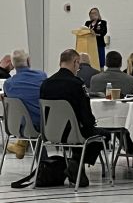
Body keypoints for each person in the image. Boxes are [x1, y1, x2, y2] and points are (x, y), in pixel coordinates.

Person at [40, 49, 110, 187]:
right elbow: (86, 115)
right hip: (74, 132)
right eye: (78, 65)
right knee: (103, 134)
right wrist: (91, 124)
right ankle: (76, 162)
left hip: (50, 133)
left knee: (81, 131)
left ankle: (75, 164)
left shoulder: (45, 84)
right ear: (75, 62)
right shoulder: (77, 84)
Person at [3, 49, 47, 159]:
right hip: (42, 125)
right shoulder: (41, 76)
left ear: (12, 64)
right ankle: (44, 165)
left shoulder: (8, 84)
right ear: (28, 60)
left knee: (27, 116)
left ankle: (22, 147)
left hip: (18, 127)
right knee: (33, 114)